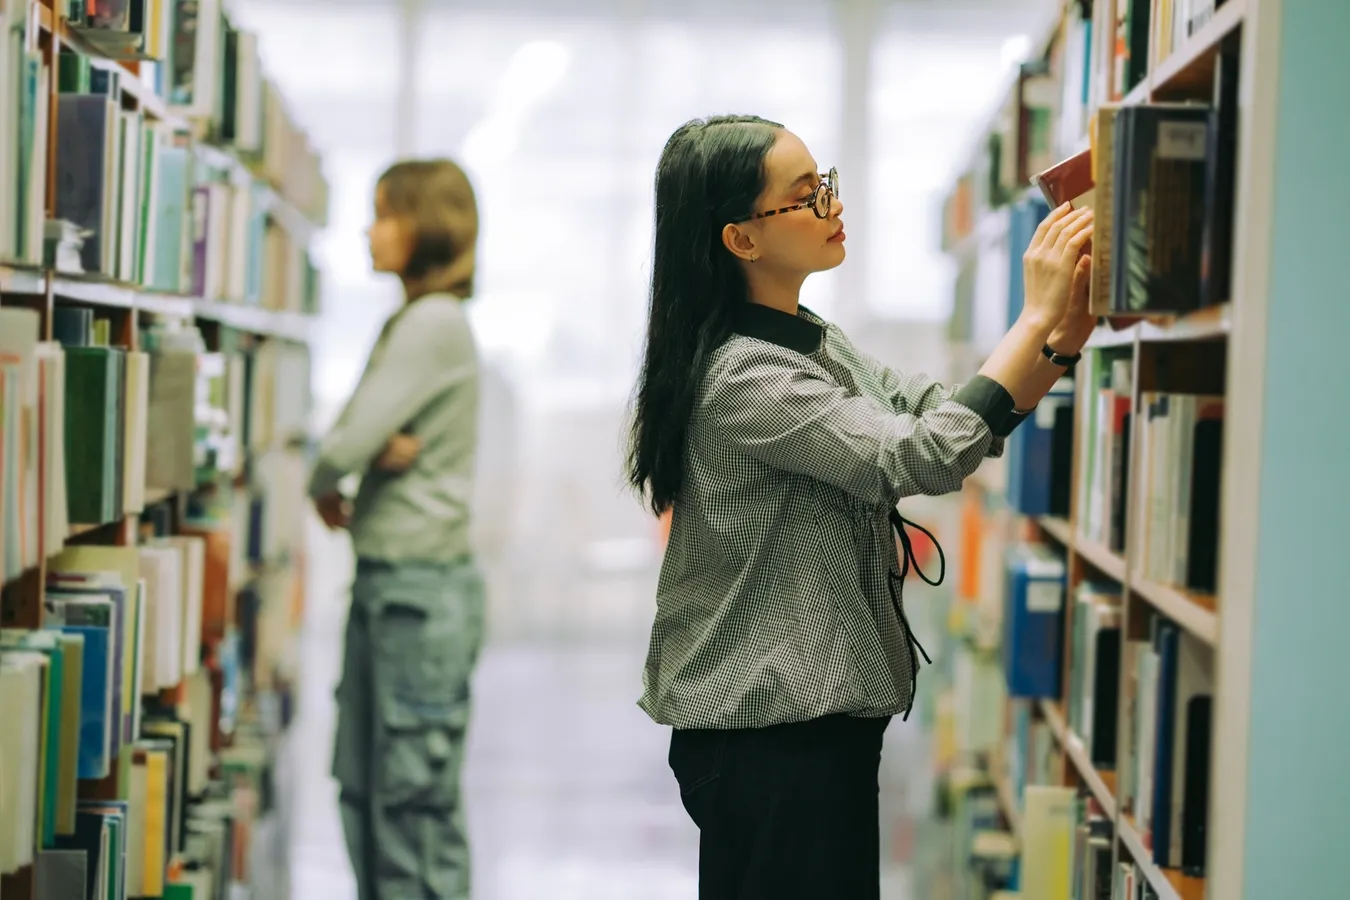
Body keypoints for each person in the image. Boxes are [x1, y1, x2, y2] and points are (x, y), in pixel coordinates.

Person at [627, 115, 1094, 899]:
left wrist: (1057, 343)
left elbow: (934, 412)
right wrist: (1033, 319)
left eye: (827, 184)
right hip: (770, 741)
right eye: (805, 196)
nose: (832, 205)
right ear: (741, 239)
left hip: (807, 731)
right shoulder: (743, 376)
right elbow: (916, 457)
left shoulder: (807, 337)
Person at [307, 158, 486, 900]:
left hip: (416, 593)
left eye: (385, 213)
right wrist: (362, 447)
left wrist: (336, 470)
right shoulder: (410, 321)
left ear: (427, 225)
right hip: (393, 587)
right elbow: (356, 431)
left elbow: (340, 445)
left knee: (410, 806)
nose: (368, 230)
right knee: (368, 793)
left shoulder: (433, 323)